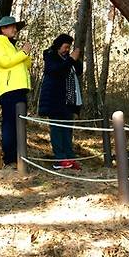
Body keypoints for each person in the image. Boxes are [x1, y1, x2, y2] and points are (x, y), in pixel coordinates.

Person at [0, 15, 32, 169]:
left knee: (20, 125)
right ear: (3, 29)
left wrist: (25, 54)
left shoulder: (13, 47)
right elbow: (5, 63)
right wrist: (23, 53)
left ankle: (21, 159)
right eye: (12, 27)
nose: (15, 30)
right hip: (8, 90)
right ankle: (10, 160)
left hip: (20, 89)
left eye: (16, 27)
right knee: (10, 125)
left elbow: (26, 65)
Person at [38, 33, 83, 170]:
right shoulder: (50, 55)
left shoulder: (67, 58)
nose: (67, 50)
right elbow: (55, 70)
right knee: (57, 129)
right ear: (58, 46)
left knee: (68, 130)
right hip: (54, 100)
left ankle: (70, 157)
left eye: (69, 48)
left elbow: (79, 71)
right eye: (65, 47)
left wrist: (76, 59)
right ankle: (59, 159)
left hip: (68, 101)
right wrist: (70, 59)